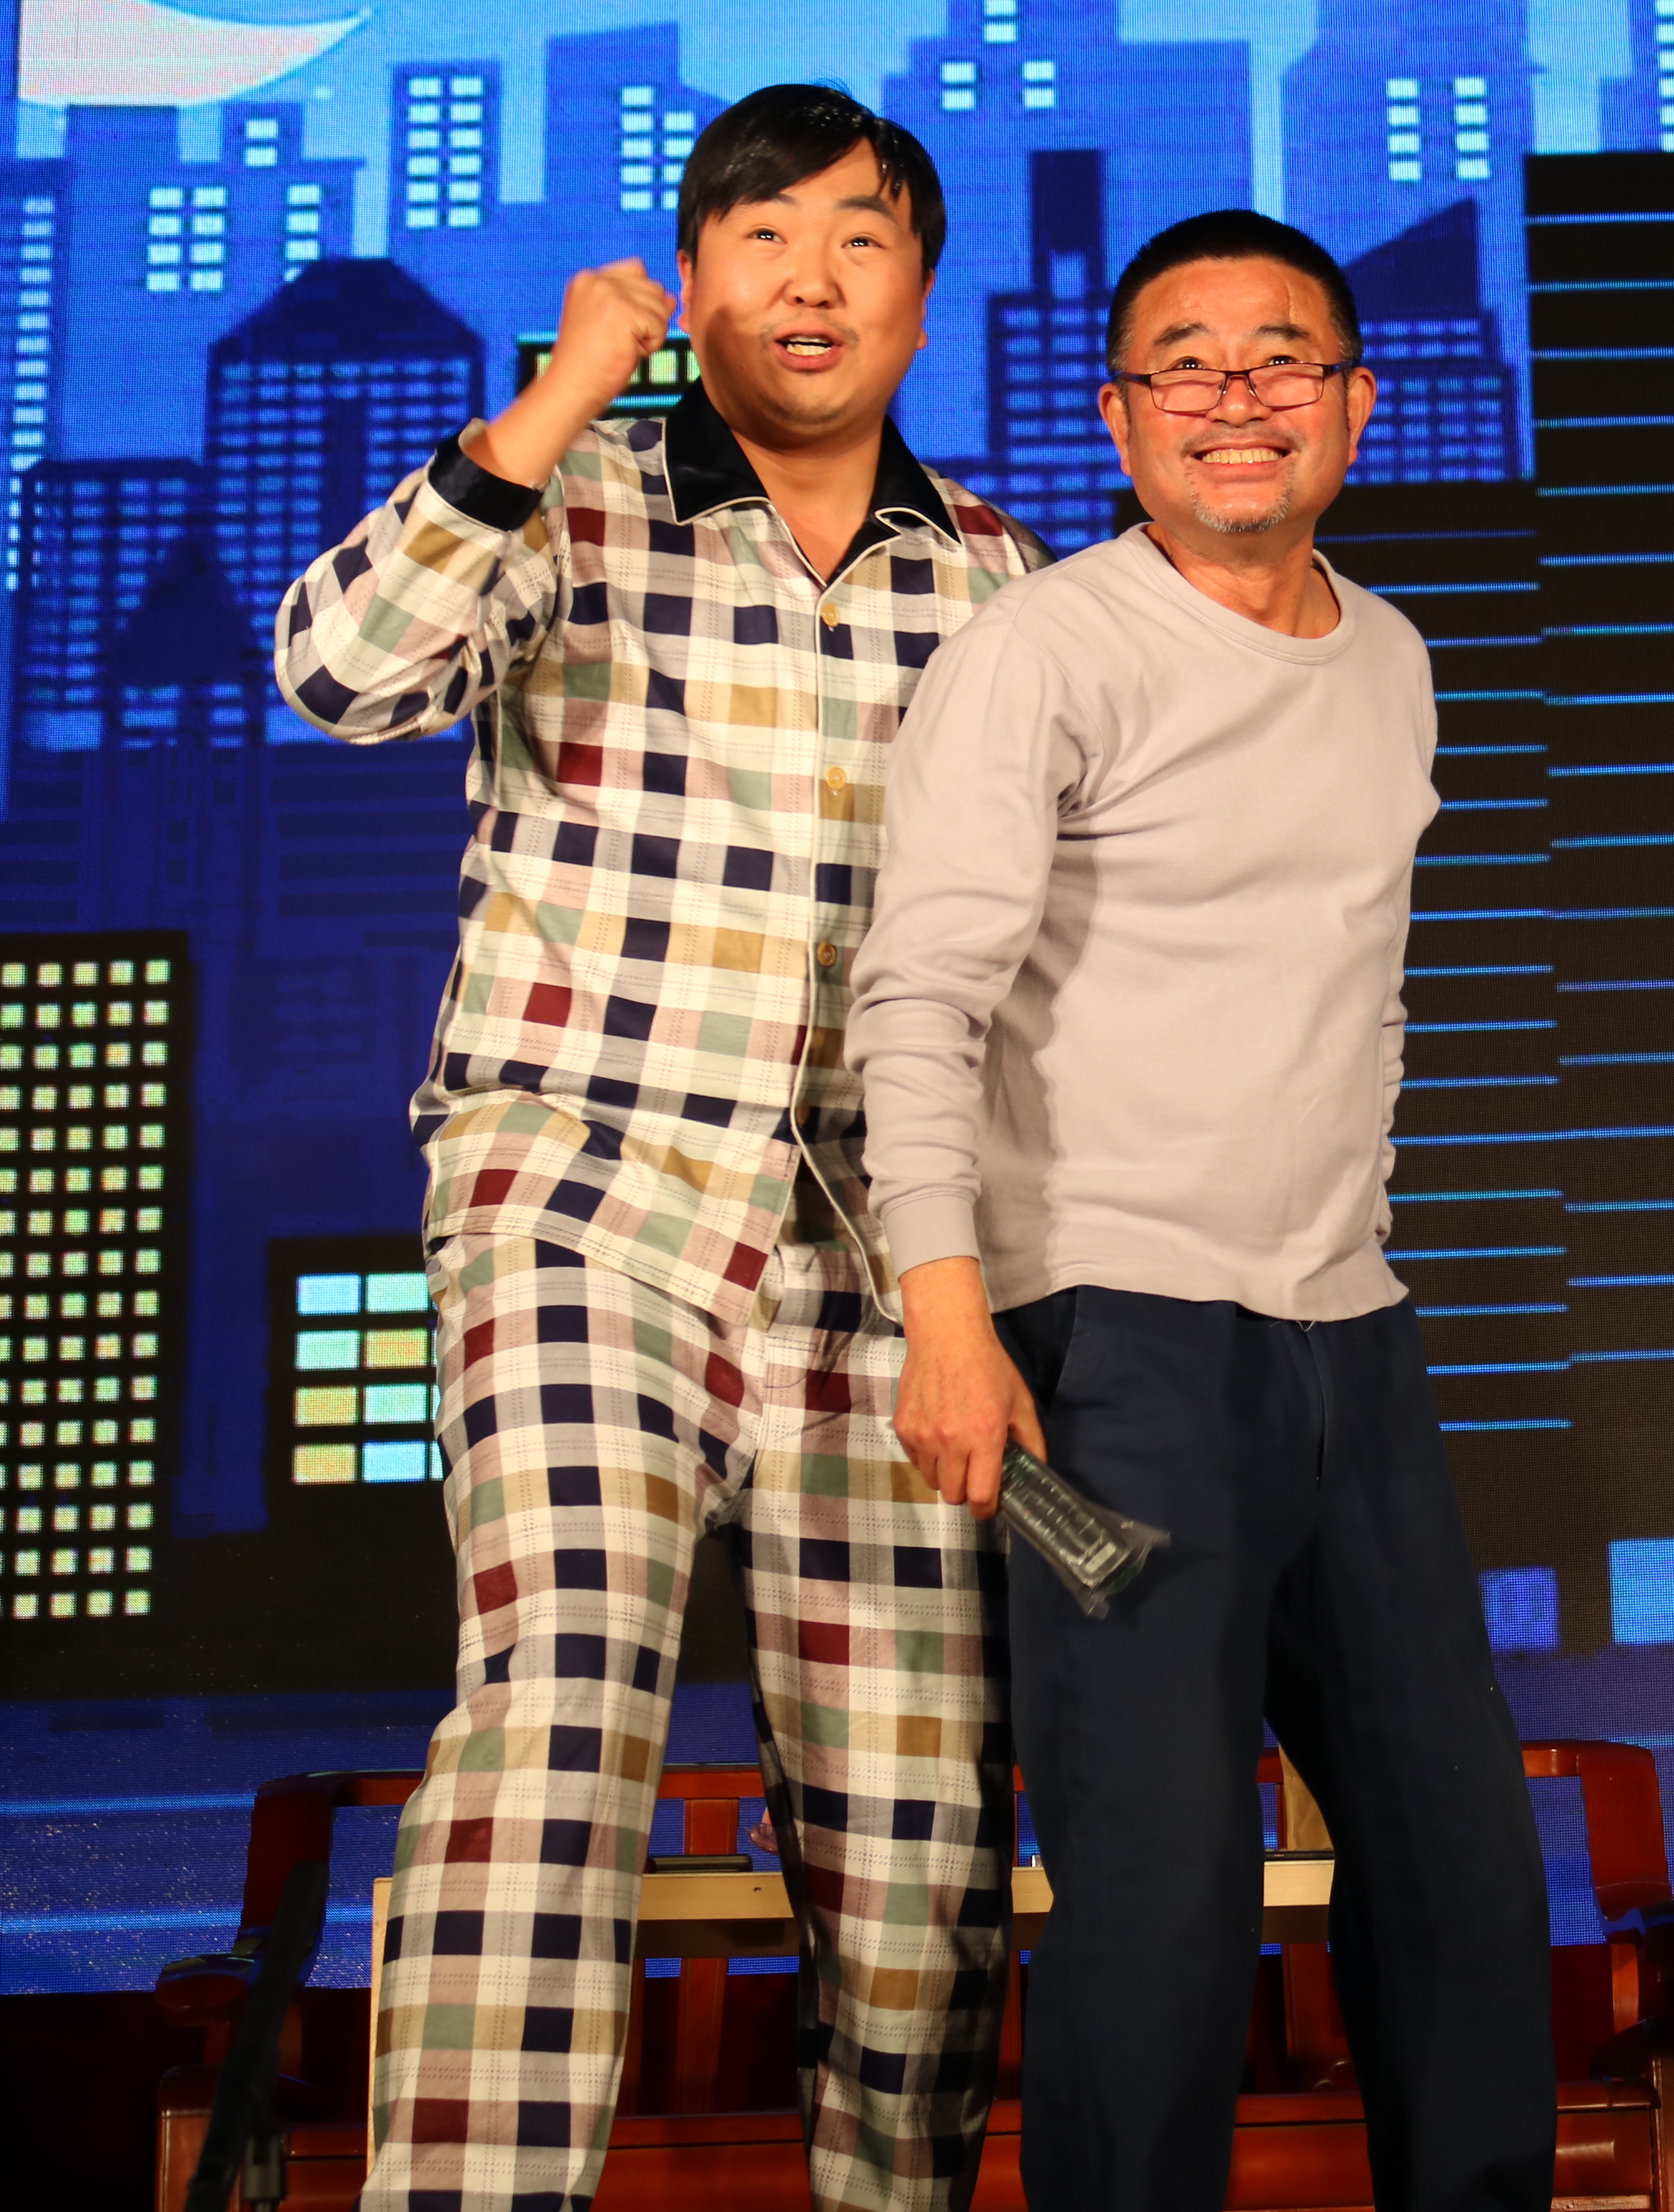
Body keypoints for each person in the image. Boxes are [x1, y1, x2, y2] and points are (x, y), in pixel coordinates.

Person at [275, 85, 1048, 2212]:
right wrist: (549, 405)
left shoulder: (1002, 581)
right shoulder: (571, 499)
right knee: (558, 1703)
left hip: (883, 1262)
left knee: (919, 1849)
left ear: (921, 292)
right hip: (583, 1195)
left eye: (860, 237)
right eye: (763, 235)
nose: (812, 277)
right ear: (689, 281)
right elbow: (336, 673)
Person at [848, 207, 1556, 2212]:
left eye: (1280, 360)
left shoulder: (1394, 656)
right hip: (1115, 1338)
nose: (1235, 399)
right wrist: (948, 1310)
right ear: (1119, 414)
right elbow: (920, 995)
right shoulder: (1043, 648)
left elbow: (1352, 990)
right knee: (1161, 1897)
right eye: (1186, 364)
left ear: (1354, 401)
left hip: (1350, 1328)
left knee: (1460, 1871)